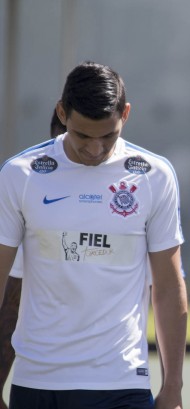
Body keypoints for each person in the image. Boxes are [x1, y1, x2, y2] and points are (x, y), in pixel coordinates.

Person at [0, 62, 188, 409]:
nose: (96, 149)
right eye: (83, 136)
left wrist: (173, 386)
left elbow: (168, 285)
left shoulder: (154, 176)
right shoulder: (20, 174)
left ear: (126, 115)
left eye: (109, 136)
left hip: (122, 383)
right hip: (38, 382)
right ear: (62, 113)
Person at [0, 109, 66, 409]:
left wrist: (173, 385)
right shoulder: (28, 193)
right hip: (40, 381)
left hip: (114, 381)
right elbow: (11, 306)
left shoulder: (138, 184)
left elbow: (165, 291)